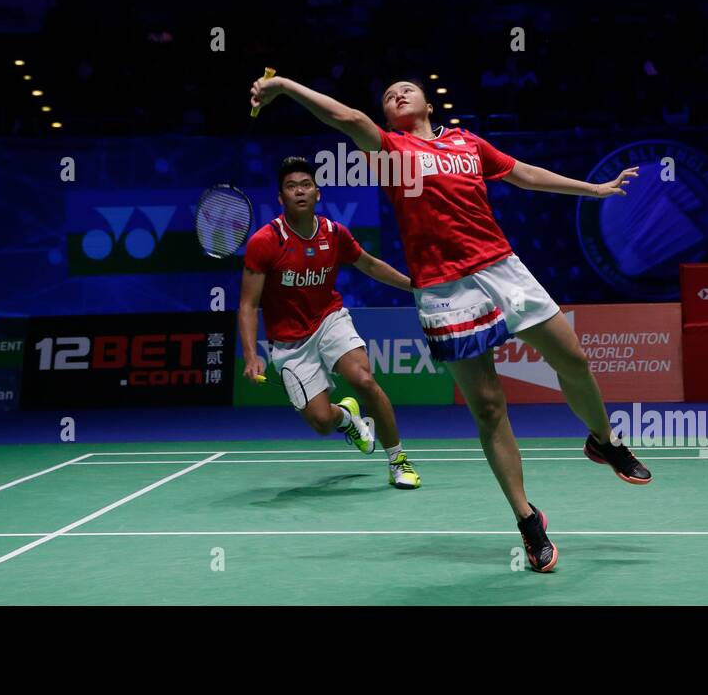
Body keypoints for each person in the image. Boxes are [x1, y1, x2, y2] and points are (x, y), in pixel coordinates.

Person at [250, 76, 652, 573]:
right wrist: (285, 86)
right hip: (443, 290)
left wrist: (593, 189)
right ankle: (528, 520)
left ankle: (603, 441)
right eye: (387, 95)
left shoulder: (466, 142)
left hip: (501, 268)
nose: (395, 95)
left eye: (405, 89)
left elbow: (522, 173)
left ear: (426, 100)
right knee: (487, 406)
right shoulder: (391, 151)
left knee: (571, 358)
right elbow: (347, 118)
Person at [239, 156, 421, 489]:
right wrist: (251, 355)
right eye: (291, 187)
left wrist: (413, 285)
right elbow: (248, 305)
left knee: (363, 379)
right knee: (322, 422)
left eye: (305, 185)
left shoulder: (334, 233)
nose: (299, 192)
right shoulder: (265, 242)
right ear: (281, 198)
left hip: (329, 319)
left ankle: (398, 460)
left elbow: (369, 264)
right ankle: (347, 417)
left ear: (318, 193)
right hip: (289, 342)